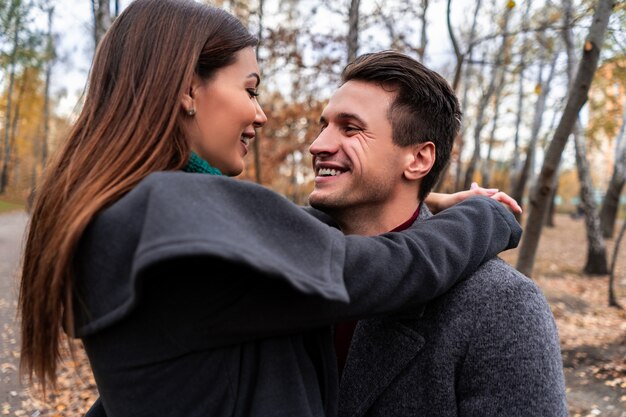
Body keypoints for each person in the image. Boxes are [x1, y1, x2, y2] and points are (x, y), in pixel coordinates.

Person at [19, 1, 522, 416]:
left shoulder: (124, 217)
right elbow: (385, 269)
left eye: (350, 129)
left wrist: (419, 195)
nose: (259, 113)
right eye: (250, 88)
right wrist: (489, 216)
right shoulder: (177, 222)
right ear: (187, 89)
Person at [305, 51, 568, 416]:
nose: (318, 144)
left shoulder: (500, 305)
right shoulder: (287, 267)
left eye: (350, 128)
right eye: (324, 126)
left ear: (418, 160)